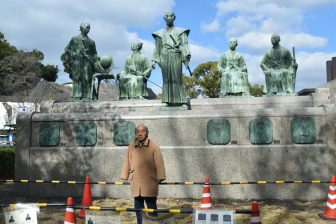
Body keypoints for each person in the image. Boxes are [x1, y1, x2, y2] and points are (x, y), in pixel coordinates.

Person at [120, 123, 166, 224]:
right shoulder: (132, 146)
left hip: (150, 182)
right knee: (138, 207)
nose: (140, 134)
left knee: (151, 207)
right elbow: (127, 161)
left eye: (143, 131)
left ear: (147, 133)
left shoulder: (154, 146)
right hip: (136, 183)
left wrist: (161, 176)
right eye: (138, 132)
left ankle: (153, 223)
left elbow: (159, 162)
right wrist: (124, 175)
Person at [152, 10, 191, 106]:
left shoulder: (181, 32)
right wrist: (154, 60)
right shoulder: (159, 33)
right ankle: (166, 100)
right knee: (166, 79)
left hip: (176, 55)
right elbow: (157, 48)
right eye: (167, 16)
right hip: (164, 56)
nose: (169, 18)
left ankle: (182, 100)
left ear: (174, 17)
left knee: (177, 78)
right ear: (164, 18)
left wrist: (186, 52)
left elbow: (185, 45)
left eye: (171, 16)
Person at [61, 22, 99, 100]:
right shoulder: (74, 39)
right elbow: (67, 49)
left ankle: (89, 96)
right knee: (77, 78)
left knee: (87, 78)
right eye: (87, 27)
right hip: (77, 62)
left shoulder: (92, 42)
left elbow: (94, 53)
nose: (88, 30)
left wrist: (96, 62)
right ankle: (77, 96)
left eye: (89, 28)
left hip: (87, 62)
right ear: (81, 28)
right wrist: (74, 54)